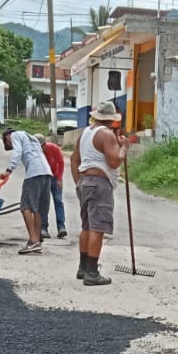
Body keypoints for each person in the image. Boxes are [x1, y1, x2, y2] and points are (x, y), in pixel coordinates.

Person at [70, 100, 128, 286]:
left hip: (85, 182)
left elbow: (74, 159)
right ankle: (92, 273)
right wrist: (124, 147)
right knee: (98, 228)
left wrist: (78, 181)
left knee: (87, 226)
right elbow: (114, 162)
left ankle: (83, 267)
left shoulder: (86, 133)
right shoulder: (106, 134)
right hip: (99, 183)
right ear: (112, 119)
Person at [0, 126, 53, 254]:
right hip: (46, 172)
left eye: (8, 142)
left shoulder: (15, 135)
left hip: (34, 174)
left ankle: (33, 241)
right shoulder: (32, 137)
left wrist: (8, 170)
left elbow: (18, 153)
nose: (10, 143)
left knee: (25, 206)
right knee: (37, 208)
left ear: (7, 137)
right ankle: (36, 239)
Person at [36, 134, 69, 239]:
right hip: (43, 178)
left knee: (58, 201)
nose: (39, 149)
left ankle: (61, 227)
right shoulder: (35, 152)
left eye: (41, 146)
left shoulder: (53, 148)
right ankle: (43, 228)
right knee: (43, 203)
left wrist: (59, 179)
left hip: (54, 177)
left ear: (44, 144)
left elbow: (61, 163)